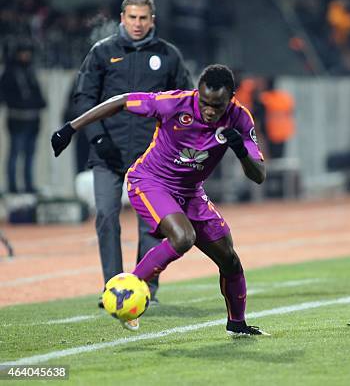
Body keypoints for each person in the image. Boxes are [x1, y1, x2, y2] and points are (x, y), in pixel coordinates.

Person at [52, 64, 269, 336]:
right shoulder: (174, 103)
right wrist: (71, 128)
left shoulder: (240, 118)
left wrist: (240, 151)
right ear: (197, 93)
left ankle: (237, 324)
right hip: (151, 181)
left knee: (229, 259)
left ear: (232, 98)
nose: (210, 110)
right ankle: (127, 290)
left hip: (191, 193)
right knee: (182, 237)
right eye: (205, 102)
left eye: (218, 105)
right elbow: (121, 101)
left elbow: (259, 175)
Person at [71, 0, 192, 307]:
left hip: (152, 156)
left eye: (143, 18)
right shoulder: (101, 52)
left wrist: (176, 144)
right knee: (107, 216)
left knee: (152, 222)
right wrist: (97, 138)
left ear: (153, 20)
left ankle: (144, 285)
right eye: (132, 17)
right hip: (106, 150)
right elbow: (84, 98)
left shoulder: (168, 55)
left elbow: (185, 102)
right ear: (122, 18)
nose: (137, 24)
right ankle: (113, 287)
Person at [0, 40, 46, 194]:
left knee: (29, 155)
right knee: (15, 153)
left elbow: (39, 96)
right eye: (23, 52)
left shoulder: (30, 71)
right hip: (17, 119)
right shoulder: (10, 72)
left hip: (32, 120)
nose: (26, 55)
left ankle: (28, 186)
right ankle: (12, 186)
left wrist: (38, 103)